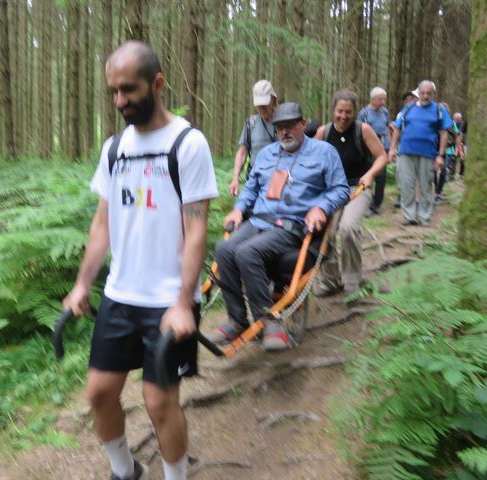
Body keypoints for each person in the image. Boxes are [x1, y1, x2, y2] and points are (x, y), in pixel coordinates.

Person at [62, 41, 218, 480]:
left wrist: (184, 302)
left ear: (158, 83)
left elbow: (196, 229)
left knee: (158, 401)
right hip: (120, 295)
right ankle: (124, 470)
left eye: (128, 90)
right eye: (114, 91)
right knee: (99, 392)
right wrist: (81, 285)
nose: (120, 101)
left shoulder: (188, 144)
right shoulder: (114, 148)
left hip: (168, 298)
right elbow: (102, 225)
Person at [211, 102, 350, 351]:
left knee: (247, 253)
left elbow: (340, 189)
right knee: (223, 249)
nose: (284, 132)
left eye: (289, 126)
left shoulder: (324, 152)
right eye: (279, 128)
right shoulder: (266, 155)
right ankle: (237, 320)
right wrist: (239, 208)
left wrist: (321, 208)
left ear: (303, 124)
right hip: (258, 220)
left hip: (291, 225)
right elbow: (251, 188)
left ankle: (269, 324)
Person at [312, 89, 388, 297]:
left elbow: (382, 156)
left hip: (358, 188)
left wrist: (371, 174)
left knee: (348, 227)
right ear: (333, 110)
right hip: (331, 190)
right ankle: (330, 279)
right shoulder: (323, 133)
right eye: (339, 111)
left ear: (355, 112)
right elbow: (310, 162)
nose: (343, 116)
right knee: (322, 230)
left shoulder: (362, 130)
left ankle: (352, 280)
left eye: (348, 112)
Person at [388, 80, 452, 226]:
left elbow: (444, 133)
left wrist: (440, 156)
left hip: (428, 153)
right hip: (406, 152)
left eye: (429, 93)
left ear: (433, 94)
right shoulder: (408, 109)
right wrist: (392, 149)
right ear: (419, 93)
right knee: (406, 184)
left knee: (425, 185)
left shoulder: (439, 110)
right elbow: (397, 128)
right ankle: (409, 215)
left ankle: (424, 216)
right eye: (423, 93)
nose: (425, 96)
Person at [229, 80, 278, 196]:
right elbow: (242, 152)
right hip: (254, 180)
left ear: (273, 100)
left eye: (265, 105)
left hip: (278, 180)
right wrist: (235, 178)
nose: (262, 109)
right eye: (259, 106)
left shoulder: (284, 122)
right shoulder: (251, 123)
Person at [358, 86, 391, 215]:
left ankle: (377, 204)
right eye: (380, 99)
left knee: (381, 177)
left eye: (384, 99)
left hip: (383, 147)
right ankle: (365, 205)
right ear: (373, 99)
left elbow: (387, 128)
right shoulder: (364, 113)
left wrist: (389, 146)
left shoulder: (385, 112)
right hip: (369, 148)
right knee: (368, 175)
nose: (383, 102)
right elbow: (360, 131)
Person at [390, 90, 419, 209]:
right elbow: (397, 130)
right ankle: (402, 196)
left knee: (417, 175)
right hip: (403, 147)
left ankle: (416, 200)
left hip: (418, 147)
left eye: (412, 98)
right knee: (401, 172)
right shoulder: (401, 113)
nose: (409, 101)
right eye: (407, 99)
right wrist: (393, 147)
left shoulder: (423, 112)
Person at [434, 103, 463, 204]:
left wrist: (459, 150)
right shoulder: (433, 120)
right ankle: (435, 192)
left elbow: (457, 136)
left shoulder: (451, 123)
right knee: (432, 171)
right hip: (432, 149)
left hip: (446, 151)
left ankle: (438, 193)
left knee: (443, 171)